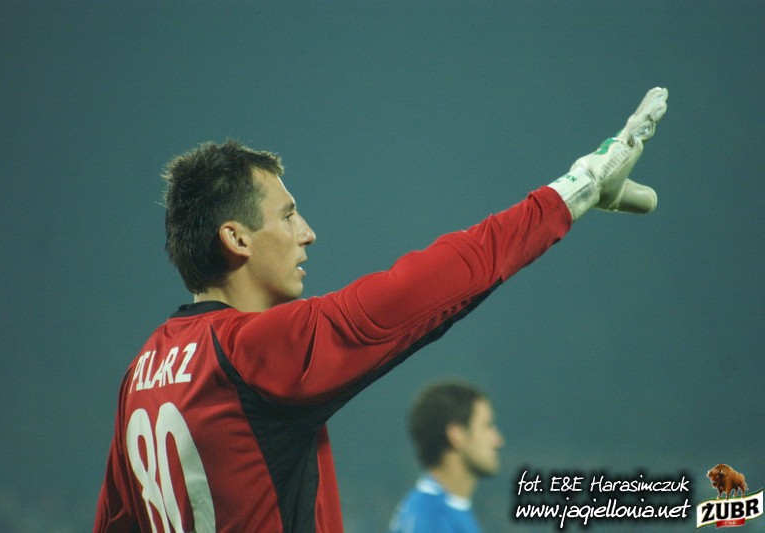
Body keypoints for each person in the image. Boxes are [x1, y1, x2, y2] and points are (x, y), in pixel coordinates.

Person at [93, 87, 668, 532]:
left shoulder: (139, 376)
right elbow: (431, 285)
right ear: (237, 239)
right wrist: (577, 188)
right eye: (288, 216)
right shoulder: (253, 351)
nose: (307, 233)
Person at [388, 381, 503, 533]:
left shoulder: (451, 509)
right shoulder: (430, 519)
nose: (498, 441)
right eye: (487, 426)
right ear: (457, 434)